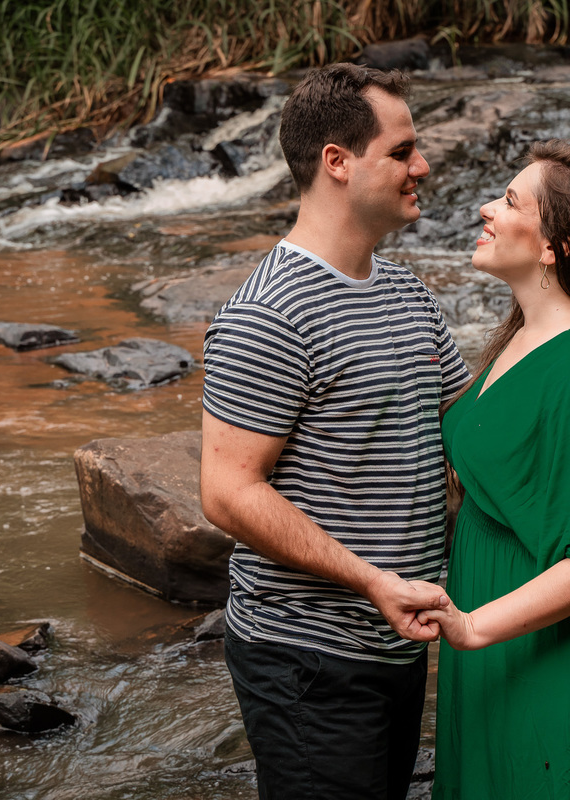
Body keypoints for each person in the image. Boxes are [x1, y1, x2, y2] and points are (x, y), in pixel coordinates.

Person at [199, 63, 469, 800]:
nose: (423, 166)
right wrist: (373, 580)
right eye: (403, 150)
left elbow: (473, 430)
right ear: (338, 163)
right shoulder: (270, 314)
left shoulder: (406, 293)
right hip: (305, 656)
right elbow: (226, 493)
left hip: (395, 642)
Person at [417, 140, 570, 800]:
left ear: (557, 247)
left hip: (561, 672)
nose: (487, 208)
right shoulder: (520, 335)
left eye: (511, 200)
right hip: (505, 660)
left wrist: (472, 628)